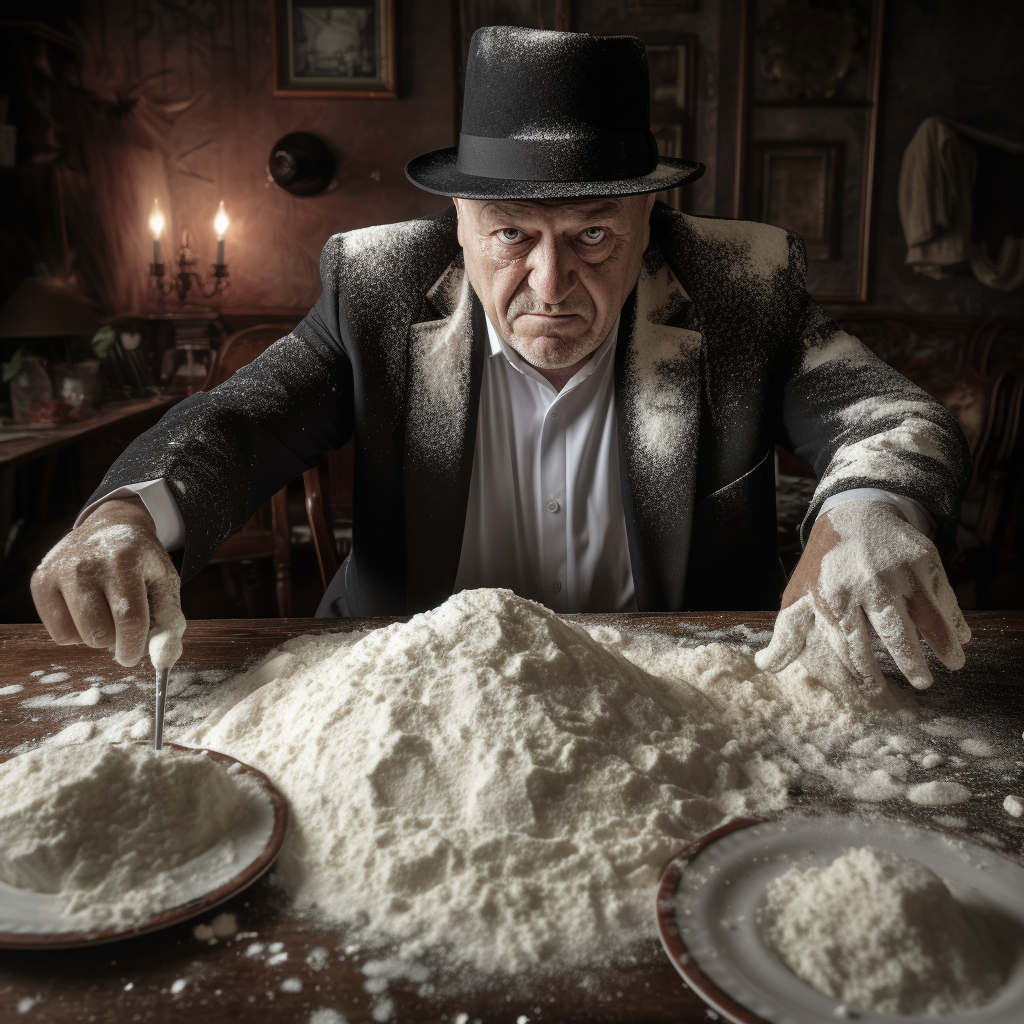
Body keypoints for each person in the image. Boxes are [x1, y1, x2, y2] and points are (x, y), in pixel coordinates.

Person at [30, 26, 971, 694]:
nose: (549, 282)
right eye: (512, 234)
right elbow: (245, 416)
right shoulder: (379, 285)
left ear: (651, 222)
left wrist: (869, 511)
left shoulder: (738, 284)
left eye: (594, 233)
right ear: (462, 228)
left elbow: (888, 415)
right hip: (410, 691)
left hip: (673, 697)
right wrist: (127, 512)